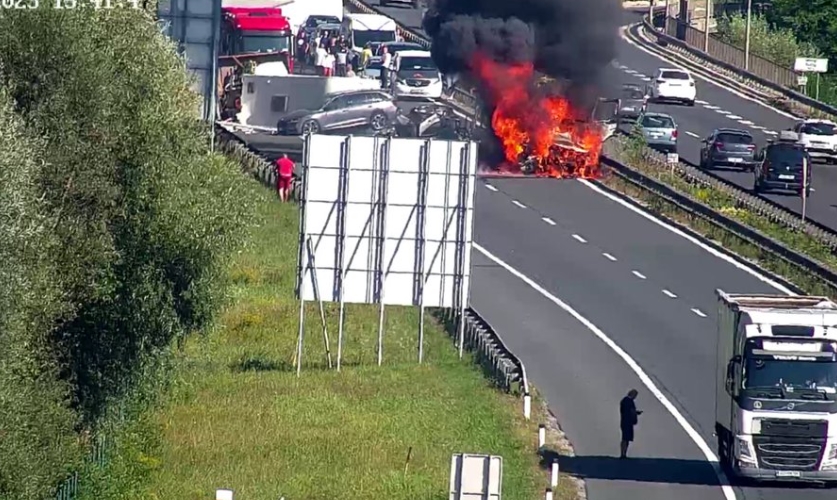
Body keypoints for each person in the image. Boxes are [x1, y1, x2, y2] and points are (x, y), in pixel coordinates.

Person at [619, 389, 642, 458]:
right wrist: (635, 417)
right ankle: (623, 453)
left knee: (626, 438)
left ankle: (623, 453)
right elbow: (631, 411)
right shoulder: (629, 401)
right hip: (627, 422)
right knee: (626, 438)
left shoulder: (624, 401)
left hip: (625, 421)